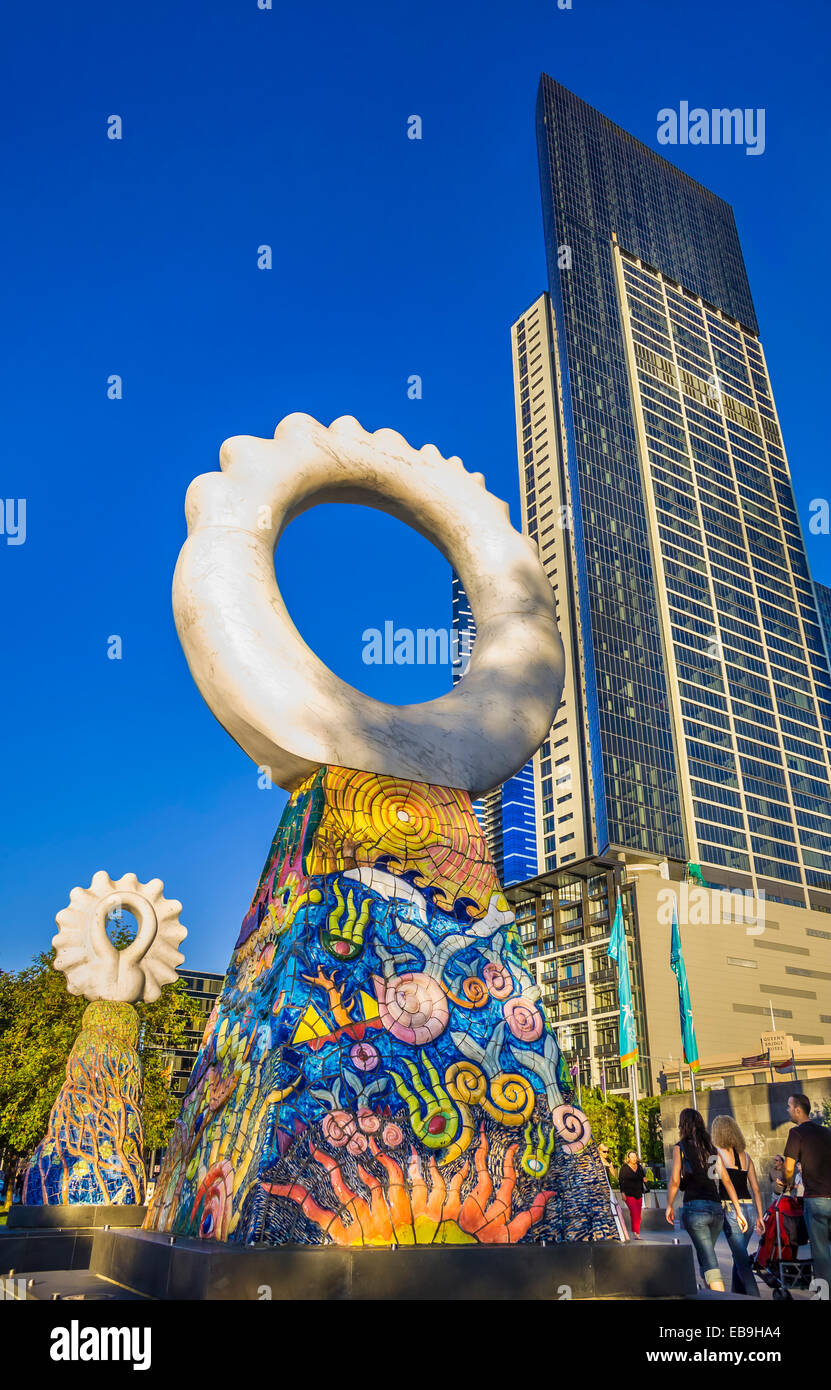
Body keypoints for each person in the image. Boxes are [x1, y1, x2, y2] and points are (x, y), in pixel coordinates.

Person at [666, 1108, 748, 1292]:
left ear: (683, 1124)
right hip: (716, 1208)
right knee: (706, 1252)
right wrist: (738, 1210)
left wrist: (669, 1205)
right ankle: (710, 1291)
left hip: (695, 1208)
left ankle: (718, 1294)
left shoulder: (681, 1147)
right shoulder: (711, 1147)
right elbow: (725, 1179)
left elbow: (675, 1180)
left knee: (709, 1258)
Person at [782, 1093, 831, 1291]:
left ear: (798, 1109)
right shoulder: (827, 1132)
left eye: (788, 1106)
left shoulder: (796, 1133)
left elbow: (788, 1168)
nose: (787, 1110)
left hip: (816, 1199)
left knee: (820, 1252)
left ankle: (824, 1294)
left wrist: (788, 1183)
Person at [711, 1115, 764, 1297]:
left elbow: (714, 1178)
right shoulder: (747, 1157)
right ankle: (737, 1294)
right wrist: (759, 1216)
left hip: (732, 1209)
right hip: (749, 1208)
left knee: (741, 1259)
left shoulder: (715, 1153)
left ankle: (754, 1295)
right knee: (738, 1254)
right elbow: (756, 1189)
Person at [597, 1142, 628, 1242]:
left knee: (614, 1208)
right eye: (604, 1151)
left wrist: (610, 1165)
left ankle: (617, 1231)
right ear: (599, 1151)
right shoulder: (596, 1161)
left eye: (607, 1152)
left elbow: (614, 1175)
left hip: (608, 1186)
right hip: (599, 1187)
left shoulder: (608, 1161)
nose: (606, 1153)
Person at [618, 1150, 647, 1239]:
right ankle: (636, 1234)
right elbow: (621, 1181)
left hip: (638, 1193)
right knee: (634, 1212)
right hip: (628, 1194)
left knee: (638, 1215)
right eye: (632, 1157)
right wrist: (622, 1193)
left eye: (635, 1157)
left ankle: (635, 1232)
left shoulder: (639, 1167)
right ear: (628, 1158)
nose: (634, 1158)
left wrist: (644, 1179)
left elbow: (642, 1177)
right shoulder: (624, 1167)